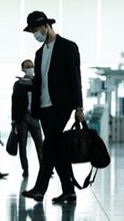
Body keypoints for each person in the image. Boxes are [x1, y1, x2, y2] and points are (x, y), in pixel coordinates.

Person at [21, 11, 84, 204]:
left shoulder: (68, 47)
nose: (35, 34)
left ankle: (40, 190)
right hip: (44, 107)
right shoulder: (39, 53)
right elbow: (39, 80)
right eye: (32, 31)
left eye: (36, 29)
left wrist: (79, 107)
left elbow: (75, 78)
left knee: (49, 146)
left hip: (61, 105)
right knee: (57, 149)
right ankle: (69, 191)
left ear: (46, 26)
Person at [11, 59, 44, 178]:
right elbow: (14, 102)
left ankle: (44, 168)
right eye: (27, 66)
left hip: (34, 116)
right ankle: (25, 168)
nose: (30, 68)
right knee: (23, 144)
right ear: (22, 69)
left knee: (40, 144)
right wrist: (13, 119)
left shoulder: (37, 82)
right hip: (22, 117)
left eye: (31, 66)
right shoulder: (18, 84)